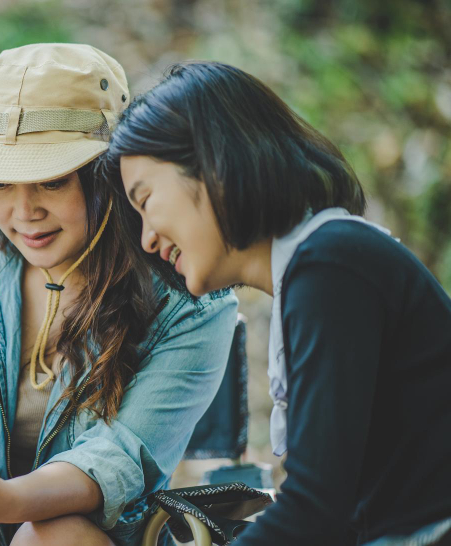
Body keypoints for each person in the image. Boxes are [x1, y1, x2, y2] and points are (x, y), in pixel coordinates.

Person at [0, 44, 239, 546]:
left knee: (48, 537)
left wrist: (3, 501)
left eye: (52, 181)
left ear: (110, 177)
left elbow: (117, 460)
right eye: (0, 182)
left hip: (93, 536)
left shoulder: (188, 301)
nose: (23, 211)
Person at [105, 61, 451, 545]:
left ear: (212, 163)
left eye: (145, 201)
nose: (146, 238)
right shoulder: (320, 269)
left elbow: (314, 509)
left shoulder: (331, 265)